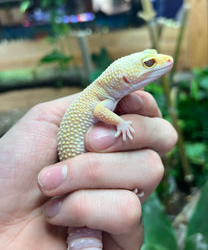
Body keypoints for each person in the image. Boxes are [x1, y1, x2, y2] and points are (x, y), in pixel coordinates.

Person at [0, 90, 177, 250]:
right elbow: (100, 112)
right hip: (64, 201)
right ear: (124, 78)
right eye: (148, 64)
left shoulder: (105, 97)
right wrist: (121, 123)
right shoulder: (102, 98)